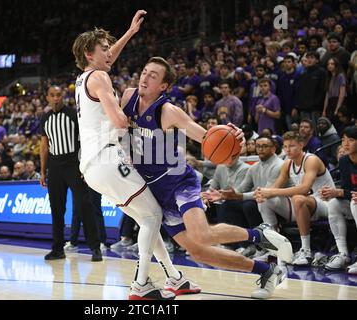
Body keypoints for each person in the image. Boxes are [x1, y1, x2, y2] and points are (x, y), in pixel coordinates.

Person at [122, 56, 293, 299]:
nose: (145, 77)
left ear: (164, 86)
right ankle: (268, 270)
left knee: (202, 234)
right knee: (199, 252)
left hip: (179, 181)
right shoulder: (128, 97)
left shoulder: (168, 111)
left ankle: (259, 234)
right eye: (145, 71)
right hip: (155, 190)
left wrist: (233, 138)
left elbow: (207, 138)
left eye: (153, 75)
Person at [72, 11, 199, 300]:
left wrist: (129, 33)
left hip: (92, 165)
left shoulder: (84, 78)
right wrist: (139, 128)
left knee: (146, 219)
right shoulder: (101, 76)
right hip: (108, 159)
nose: (109, 53)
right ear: (90, 54)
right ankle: (141, 284)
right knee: (153, 215)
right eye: (104, 48)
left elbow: (107, 59)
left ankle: (175, 278)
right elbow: (118, 121)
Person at [39, 85, 102, 262]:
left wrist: (85, 165)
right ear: (47, 98)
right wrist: (43, 171)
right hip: (55, 166)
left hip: (74, 164)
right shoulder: (45, 117)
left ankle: (95, 247)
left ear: (63, 96)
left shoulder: (74, 115)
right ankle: (58, 249)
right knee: (56, 210)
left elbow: (86, 140)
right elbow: (44, 146)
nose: (56, 98)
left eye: (59, 95)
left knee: (85, 206)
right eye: (52, 95)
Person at [255, 131, 335, 266]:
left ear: (301, 145)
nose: (287, 150)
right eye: (285, 146)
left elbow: (304, 188)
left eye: (291, 146)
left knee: (298, 198)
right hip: (302, 205)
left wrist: (272, 191)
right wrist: (263, 193)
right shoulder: (287, 164)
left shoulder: (311, 160)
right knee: (265, 200)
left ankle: (306, 251)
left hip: (326, 204)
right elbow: (274, 189)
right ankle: (275, 246)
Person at [319, 126, 357, 273]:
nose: (345, 144)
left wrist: (340, 191)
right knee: (334, 203)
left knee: (354, 202)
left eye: (351, 140)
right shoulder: (344, 161)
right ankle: (343, 254)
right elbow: (348, 190)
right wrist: (332, 193)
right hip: (354, 202)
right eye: (343, 140)